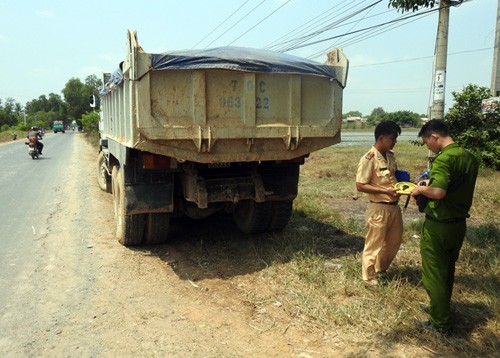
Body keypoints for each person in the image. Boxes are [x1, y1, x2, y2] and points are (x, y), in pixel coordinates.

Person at [411, 119, 479, 333]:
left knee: (434, 274)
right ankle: (439, 308)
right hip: (458, 225)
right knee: (447, 270)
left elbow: (439, 193)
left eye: (427, 142)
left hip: (439, 225)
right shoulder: (469, 158)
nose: (428, 147)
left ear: (434, 137)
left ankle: (439, 323)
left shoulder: (444, 159)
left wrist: (420, 190)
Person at [356, 120, 403, 288]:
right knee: (374, 244)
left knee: (394, 242)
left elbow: (393, 176)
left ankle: (379, 269)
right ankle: (368, 278)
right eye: (392, 138)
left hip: (394, 207)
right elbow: (360, 185)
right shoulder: (369, 158)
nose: (394, 141)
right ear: (381, 138)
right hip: (378, 208)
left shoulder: (390, 156)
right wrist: (385, 191)